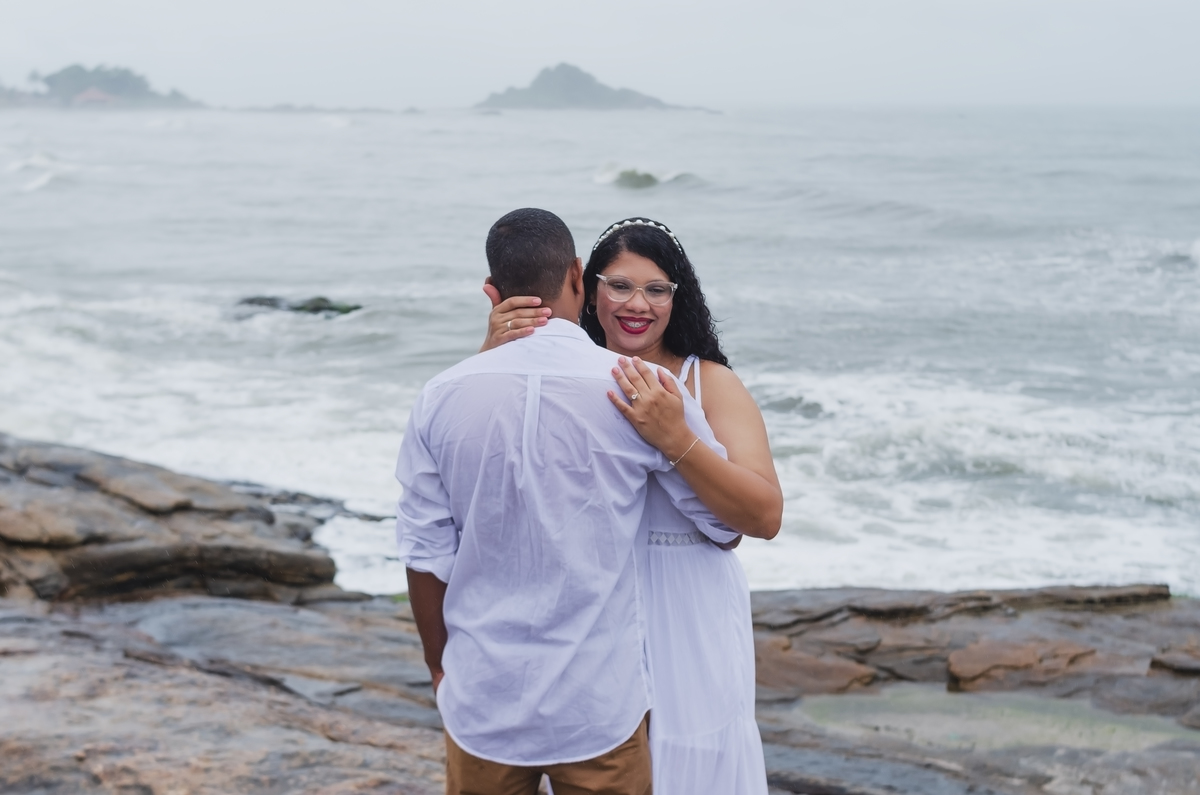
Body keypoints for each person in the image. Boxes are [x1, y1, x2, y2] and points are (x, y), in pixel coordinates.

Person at [396, 208, 771, 795]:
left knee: (690, 762)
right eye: (619, 286)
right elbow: (505, 484)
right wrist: (493, 356)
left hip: (683, 609)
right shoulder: (574, 380)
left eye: (656, 289)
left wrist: (675, 437)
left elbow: (749, 522)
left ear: (679, 298)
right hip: (588, 627)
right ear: (584, 285)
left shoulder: (702, 384)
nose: (636, 304)